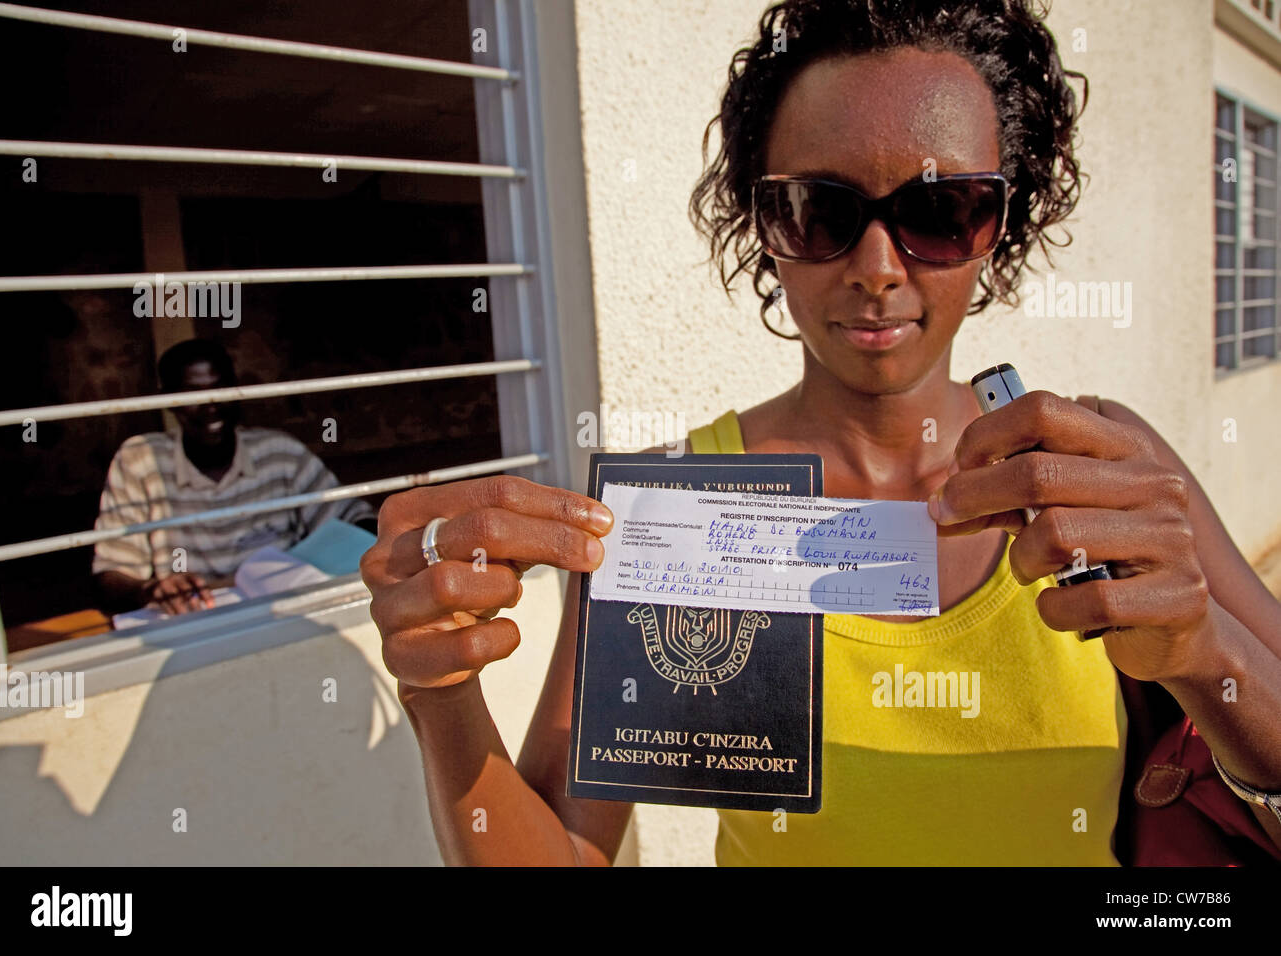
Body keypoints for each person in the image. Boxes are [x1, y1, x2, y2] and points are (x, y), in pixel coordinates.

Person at [360, 0, 1281, 865]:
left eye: (940, 210)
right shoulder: (675, 507)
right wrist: (441, 699)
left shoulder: (1096, 469)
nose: (877, 268)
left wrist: (1204, 654)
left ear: (1000, 221)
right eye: (820, 211)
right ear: (764, 225)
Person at [93, 338, 376, 616]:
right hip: (195, 623)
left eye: (221, 388)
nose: (211, 404)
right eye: (193, 394)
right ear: (169, 399)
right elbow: (111, 577)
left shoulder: (280, 454)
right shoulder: (140, 461)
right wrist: (152, 589)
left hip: (285, 615)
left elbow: (354, 521)